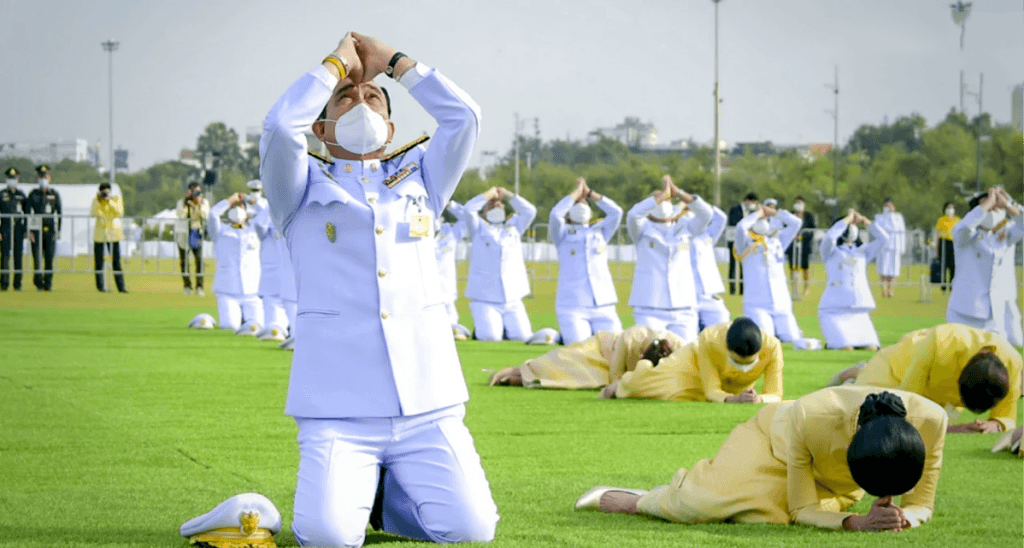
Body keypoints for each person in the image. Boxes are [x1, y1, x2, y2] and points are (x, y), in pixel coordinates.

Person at [259, 32, 497, 546]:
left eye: (372, 98)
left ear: (390, 128)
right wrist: (334, 66)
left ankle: (388, 505)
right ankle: (363, 499)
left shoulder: (422, 183)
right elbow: (280, 127)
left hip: (427, 403)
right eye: (345, 98)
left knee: (472, 532)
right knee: (327, 538)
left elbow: (465, 118)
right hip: (339, 410)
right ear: (320, 129)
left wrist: (394, 63)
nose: (360, 102)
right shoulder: (297, 193)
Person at [577, 387, 946, 532]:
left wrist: (901, 517)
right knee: (703, 503)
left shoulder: (933, 421)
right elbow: (802, 508)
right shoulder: (813, 415)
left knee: (770, 516)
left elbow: (922, 504)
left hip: (831, 481)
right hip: (769, 442)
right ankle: (640, 499)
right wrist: (856, 523)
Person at [828, 324, 1021, 433]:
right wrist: (951, 430)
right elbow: (905, 404)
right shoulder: (941, 341)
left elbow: (1007, 417)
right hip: (899, 368)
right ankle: (858, 375)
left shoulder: (1013, 364)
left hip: (939, 395)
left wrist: (994, 424)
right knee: (869, 413)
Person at [601, 317, 783, 404]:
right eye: (737, 363)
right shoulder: (710, 339)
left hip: (734, 391)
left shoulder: (773, 347)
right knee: (645, 386)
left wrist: (758, 399)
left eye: (749, 364)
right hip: (690, 366)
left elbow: (776, 394)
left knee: (690, 399)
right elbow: (711, 390)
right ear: (727, 350)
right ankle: (621, 385)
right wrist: (732, 400)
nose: (743, 370)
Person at [626, 175, 712, 343]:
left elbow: (706, 214)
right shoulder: (641, 230)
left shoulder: (686, 227)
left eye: (665, 197)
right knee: (652, 356)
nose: (663, 200)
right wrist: (656, 199)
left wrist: (678, 193)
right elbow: (633, 215)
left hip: (683, 307)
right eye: (657, 198)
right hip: (649, 308)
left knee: (686, 358)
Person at [487, 324, 686, 389]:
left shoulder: (680, 347)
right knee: (563, 363)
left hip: (625, 371)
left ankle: (527, 379)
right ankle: (519, 371)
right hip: (602, 351)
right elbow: (615, 375)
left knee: (584, 382)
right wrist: (620, 387)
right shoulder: (632, 336)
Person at [550, 177, 623, 344]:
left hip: (603, 304)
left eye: (585, 203)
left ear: (591, 213)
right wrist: (575, 194)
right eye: (577, 203)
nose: (581, 204)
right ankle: (564, 336)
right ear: (569, 212)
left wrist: (590, 193)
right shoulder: (562, 235)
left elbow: (616, 212)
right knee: (579, 349)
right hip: (573, 306)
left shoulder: (601, 232)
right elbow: (555, 214)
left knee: (617, 347)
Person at [946, 187, 1023, 347]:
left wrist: (1009, 203)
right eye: (988, 206)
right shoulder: (965, 237)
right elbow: (965, 227)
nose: (992, 209)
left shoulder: (1004, 235)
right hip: (964, 312)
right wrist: (986, 204)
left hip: (993, 315)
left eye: (996, 207)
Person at [463, 186, 536, 341]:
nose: (496, 205)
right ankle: (482, 329)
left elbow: (530, 211)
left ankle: (502, 328)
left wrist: (509, 196)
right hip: (485, 298)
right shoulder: (477, 228)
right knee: (490, 337)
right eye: (491, 204)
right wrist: (487, 195)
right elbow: (469, 209)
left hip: (512, 297)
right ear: (483, 212)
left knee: (523, 336)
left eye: (499, 204)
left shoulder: (514, 226)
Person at [817, 209, 887, 350]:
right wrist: (846, 220)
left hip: (858, 311)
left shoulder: (862, 251)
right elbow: (830, 238)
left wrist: (865, 222)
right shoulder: (830, 252)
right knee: (846, 348)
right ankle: (833, 342)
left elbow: (884, 239)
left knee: (872, 348)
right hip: (834, 310)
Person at [734, 198, 802, 342]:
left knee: (793, 338)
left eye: (764, 218)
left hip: (781, 302)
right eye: (759, 218)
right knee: (766, 339)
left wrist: (775, 213)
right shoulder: (744, 242)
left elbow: (796, 223)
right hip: (757, 304)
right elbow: (740, 227)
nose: (762, 220)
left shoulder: (777, 241)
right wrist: (756, 214)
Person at [208, 193, 262, 333]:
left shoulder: (256, 230)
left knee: (256, 328)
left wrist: (250, 200)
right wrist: (228, 200)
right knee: (230, 327)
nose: (237, 208)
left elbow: (268, 213)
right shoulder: (220, 231)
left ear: (247, 212)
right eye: (234, 207)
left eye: (240, 206)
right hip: (227, 291)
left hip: (253, 291)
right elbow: (213, 214)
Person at [249, 181, 290, 340]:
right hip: (272, 276)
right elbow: (259, 224)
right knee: (273, 327)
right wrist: (273, 205)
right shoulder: (266, 223)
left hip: (292, 276)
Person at [690, 203, 730, 330]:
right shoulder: (680, 238)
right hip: (687, 295)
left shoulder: (708, 236)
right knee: (688, 337)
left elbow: (721, 218)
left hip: (709, 293)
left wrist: (701, 205)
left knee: (722, 330)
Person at [26, 165, 61, 291]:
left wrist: (58, 231)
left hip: (50, 230)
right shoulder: (33, 194)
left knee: (49, 258)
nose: (43, 179)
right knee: (37, 258)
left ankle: (48, 283)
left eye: (45, 176)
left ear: (49, 177)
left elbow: (59, 213)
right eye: (41, 176)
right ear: (37, 178)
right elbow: (27, 213)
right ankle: (38, 282)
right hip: (36, 230)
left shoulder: (54, 194)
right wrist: (28, 231)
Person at [90, 182, 128, 293]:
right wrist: (99, 200)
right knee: (99, 262)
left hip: (113, 234)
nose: (104, 193)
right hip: (100, 235)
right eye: (103, 191)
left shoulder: (116, 199)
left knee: (116, 262)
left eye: (106, 191)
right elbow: (92, 213)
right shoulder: (96, 200)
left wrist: (109, 200)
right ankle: (100, 287)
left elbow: (119, 212)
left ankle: (121, 287)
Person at [435, 200, 467, 328]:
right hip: (423, 295)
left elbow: (467, 218)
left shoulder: (450, 234)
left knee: (452, 327)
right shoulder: (416, 237)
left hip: (446, 292)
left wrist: (450, 205)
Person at [176, 182, 210, 296]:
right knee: (184, 262)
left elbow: (205, 215)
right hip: (184, 234)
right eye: (194, 192)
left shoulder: (204, 202)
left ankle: (199, 286)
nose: (196, 194)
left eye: (198, 192)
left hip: (196, 233)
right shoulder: (182, 202)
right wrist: (187, 203)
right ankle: (187, 286)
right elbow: (181, 216)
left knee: (199, 260)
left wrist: (199, 205)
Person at [0, 167, 28, 291]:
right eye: (10, 178)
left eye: (15, 178)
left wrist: (26, 229)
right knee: (5, 256)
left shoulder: (21, 194)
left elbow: (27, 213)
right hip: (5, 227)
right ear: (7, 179)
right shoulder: (1, 194)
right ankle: (4, 283)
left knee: (18, 256)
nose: (13, 180)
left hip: (18, 228)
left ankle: (18, 284)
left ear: (18, 179)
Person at [725, 192, 758, 295]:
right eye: (753, 202)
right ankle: (732, 289)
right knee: (733, 264)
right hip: (734, 240)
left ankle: (743, 290)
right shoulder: (734, 210)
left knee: (744, 266)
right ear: (747, 200)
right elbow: (733, 223)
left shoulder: (753, 212)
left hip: (746, 242)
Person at [873, 197, 906, 298]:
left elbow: (901, 231)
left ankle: (891, 290)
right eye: (886, 206)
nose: (888, 207)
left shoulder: (898, 217)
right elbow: (878, 229)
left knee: (892, 270)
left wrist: (902, 247)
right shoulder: (879, 217)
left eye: (890, 205)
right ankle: (883, 290)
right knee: (883, 269)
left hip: (894, 246)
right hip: (883, 247)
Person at [784, 195, 816, 297]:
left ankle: (806, 288)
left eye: (800, 203)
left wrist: (803, 236)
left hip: (805, 245)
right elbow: (785, 227)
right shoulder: (790, 215)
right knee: (792, 268)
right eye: (797, 203)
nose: (798, 205)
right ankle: (794, 288)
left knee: (805, 268)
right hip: (792, 245)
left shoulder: (809, 216)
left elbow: (812, 230)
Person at [934, 201, 959, 292]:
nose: (950, 210)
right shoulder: (941, 220)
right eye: (948, 208)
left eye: (952, 208)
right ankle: (943, 285)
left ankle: (952, 285)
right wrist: (936, 248)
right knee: (943, 264)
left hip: (954, 243)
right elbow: (937, 234)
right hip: (943, 242)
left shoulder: (957, 220)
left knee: (953, 265)